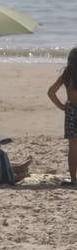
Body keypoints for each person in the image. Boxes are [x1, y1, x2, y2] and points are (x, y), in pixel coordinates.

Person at [48, 49, 77, 185]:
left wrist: (62, 106)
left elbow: (51, 92)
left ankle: (73, 178)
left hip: (71, 110)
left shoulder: (67, 74)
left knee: (73, 147)